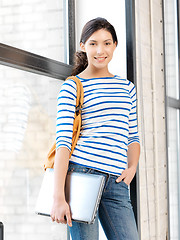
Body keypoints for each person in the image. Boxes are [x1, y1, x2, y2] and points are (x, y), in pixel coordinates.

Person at [51, 17, 140, 240]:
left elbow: (133, 135)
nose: (101, 50)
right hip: (82, 175)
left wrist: (132, 167)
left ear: (115, 45)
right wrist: (58, 197)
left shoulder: (127, 88)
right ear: (83, 46)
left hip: (117, 182)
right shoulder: (72, 85)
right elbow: (63, 142)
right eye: (93, 43)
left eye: (107, 43)